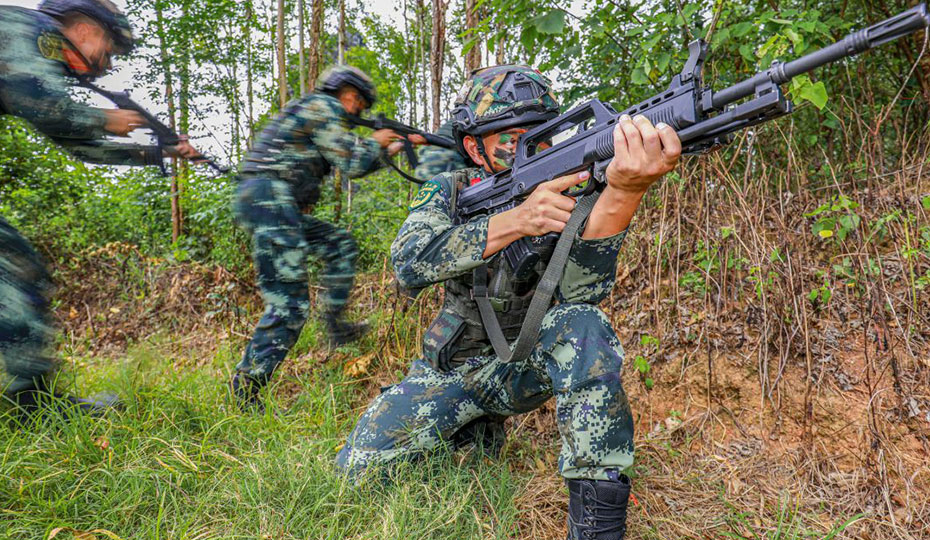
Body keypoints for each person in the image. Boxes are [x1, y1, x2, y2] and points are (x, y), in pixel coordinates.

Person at [335, 65, 681, 540]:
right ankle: (471, 431)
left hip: (519, 370)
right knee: (354, 471)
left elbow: (583, 292)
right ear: (474, 146)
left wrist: (623, 191)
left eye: (539, 134)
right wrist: (518, 221)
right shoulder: (451, 190)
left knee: (582, 324)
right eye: (512, 135)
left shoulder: (574, 187)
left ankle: (598, 528)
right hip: (449, 372)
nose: (530, 146)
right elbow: (408, 264)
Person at [0, 0, 203, 418]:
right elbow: (45, 106)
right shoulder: (29, 29)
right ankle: (33, 406)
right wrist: (106, 118)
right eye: (109, 48)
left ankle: (32, 400)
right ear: (83, 28)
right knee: (10, 264)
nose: (107, 63)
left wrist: (161, 151)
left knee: (10, 263)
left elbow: (78, 145)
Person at [231, 65, 421, 412]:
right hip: (269, 199)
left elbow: (359, 161)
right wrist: (379, 141)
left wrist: (392, 148)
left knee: (340, 245)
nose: (357, 112)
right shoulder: (324, 107)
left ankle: (334, 324)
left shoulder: (313, 110)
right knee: (289, 305)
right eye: (359, 104)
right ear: (349, 95)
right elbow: (352, 162)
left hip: (271, 203)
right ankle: (247, 392)